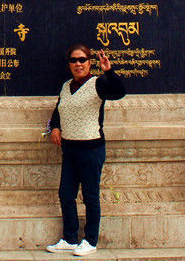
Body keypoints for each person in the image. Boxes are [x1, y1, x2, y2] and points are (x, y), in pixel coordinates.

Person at [46, 45, 125, 257]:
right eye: (73, 60)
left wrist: (108, 71)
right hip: (70, 148)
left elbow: (119, 93)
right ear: (69, 63)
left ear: (89, 62)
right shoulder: (66, 86)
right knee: (66, 194)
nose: (78, 64)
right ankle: (70, 238)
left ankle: (90, 240)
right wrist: (54, 126)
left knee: (90, 196)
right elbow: (59, 110)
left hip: (91, 148)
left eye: (82, 60)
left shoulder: (98, 83)